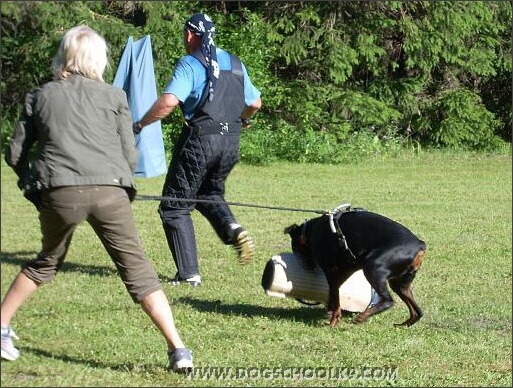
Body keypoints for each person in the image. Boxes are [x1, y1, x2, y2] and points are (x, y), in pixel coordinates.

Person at [0, 25, 193, 373]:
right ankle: (178, 349)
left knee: (46, 262)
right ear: (99, 60)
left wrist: (33, 184)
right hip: (111, 190)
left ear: (64, 56)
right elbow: (129, 155)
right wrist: (120, 184)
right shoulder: (115, 96)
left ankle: (1, 327)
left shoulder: (40, 95)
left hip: (59, 192)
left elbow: (15, 153)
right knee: (139, 272)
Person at [134, 13, 262, 287]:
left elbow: (168, 102)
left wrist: (140, 123)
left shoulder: (191, 63)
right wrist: (242, 120)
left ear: (191, 35)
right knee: (208, 193)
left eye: (185, 34)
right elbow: (256, 103)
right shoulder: (236, 63)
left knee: (174, 206)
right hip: (231, 142)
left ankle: (188, 274)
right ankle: (233, 228)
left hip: (200, 141)